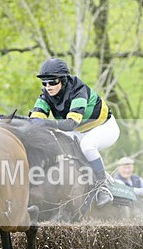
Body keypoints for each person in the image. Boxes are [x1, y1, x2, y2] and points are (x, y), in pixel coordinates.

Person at [28, 58, 120, 206]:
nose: (48, 87)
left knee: (87, 146)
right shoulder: (46, 95)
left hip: (104, 127)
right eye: (44, 83)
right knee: (59, 146)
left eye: (52, 82)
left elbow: (70, 124)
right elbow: (35, 121)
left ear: (63, 80)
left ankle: (102, 187)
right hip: (79, 130)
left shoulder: (78, 91)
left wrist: (45, 122)